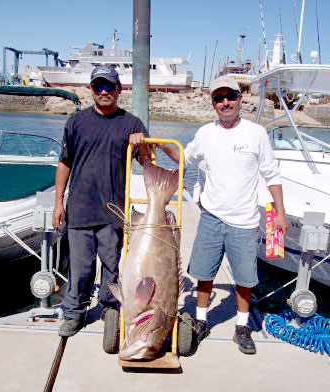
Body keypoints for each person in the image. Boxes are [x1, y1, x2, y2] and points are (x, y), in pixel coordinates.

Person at [158, 75, 288, 354]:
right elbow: (183, 158)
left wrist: (280, 213)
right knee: (204, 275)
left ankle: (242, 327)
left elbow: (272, 174)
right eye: (219, 98)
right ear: (213, 103)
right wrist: (160, 144)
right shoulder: (206, 133)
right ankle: (202, 321)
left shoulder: (256, 134)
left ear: (240, 99)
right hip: (211, 217)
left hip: (245, 221)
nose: (225, 102)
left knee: (244, 279)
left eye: (230, 96)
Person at [52, 65, 150, 337]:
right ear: (91, 90)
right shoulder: (76, 122)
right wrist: (59, 202)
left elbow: (147, 161)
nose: (104, 91)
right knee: (80, 269)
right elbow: (64, 163)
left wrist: (142, 144)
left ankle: (109, 307)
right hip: (80, 210)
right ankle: (74, 313)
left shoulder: (131, 123)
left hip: (113, 212)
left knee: (112, 267)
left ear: (119, 89)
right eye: (99, 87)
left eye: (110, 86)